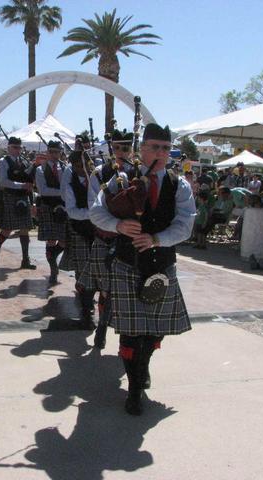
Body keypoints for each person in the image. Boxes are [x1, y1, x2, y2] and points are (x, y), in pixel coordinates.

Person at [90, 123, 196, 416]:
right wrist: (119, 225)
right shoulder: (121, 180)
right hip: (127, 263)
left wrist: (157, 239)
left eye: (165, 148)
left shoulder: (179, 185)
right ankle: (134, 388)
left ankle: (143, 365)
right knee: (130, 331)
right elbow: (96, 212)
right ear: (142, 149)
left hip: (161, 264)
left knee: (152, 331)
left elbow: (186, 225)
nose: (160, 153)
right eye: (154, 147)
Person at [78, 133, 130, 350]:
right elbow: (94, 208)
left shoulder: (139, 173)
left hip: (129, 241)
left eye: (126, 148)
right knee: (105, 289)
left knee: (126, 291)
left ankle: (124, 336)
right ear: (111, 148)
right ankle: (101, 327)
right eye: (117, 147)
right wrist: (115, 223)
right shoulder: (99, 173)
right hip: (105, 236)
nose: (122, 152)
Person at [0, 137, 37, 269]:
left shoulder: (23, 161)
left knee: (25, 228)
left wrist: (34, 166)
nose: (18, 150)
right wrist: (22, 185)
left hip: (24, 197)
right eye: (15, 147)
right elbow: (4, 182)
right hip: (10, 196)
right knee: (8, 228)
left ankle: (25, 260)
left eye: (19, 147)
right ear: (8, 148)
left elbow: (28, 177)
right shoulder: (3, 162)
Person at [61, 150, 96, 328]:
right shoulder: (70, 185)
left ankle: (93, 303)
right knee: (83, 271)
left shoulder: (99, 181)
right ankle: (87, 309)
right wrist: (94, 215)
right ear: (73, 167)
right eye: (78, 166)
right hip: (80, 230)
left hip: (100, 232)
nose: (83, 169)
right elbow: (72, 211)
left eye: (85, 165)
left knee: (100, 270)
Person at [35, 140, 67, 284]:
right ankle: (53, 270)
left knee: (65, 240)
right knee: (51, 240)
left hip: (63, 207)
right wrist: (63, 193)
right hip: (48, 207)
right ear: (47, 152)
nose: (55, 155)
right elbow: (43, 190)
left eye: (57, 152)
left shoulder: (66, 168)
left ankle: (53, 255)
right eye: (52, 152)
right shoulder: (40, 170)